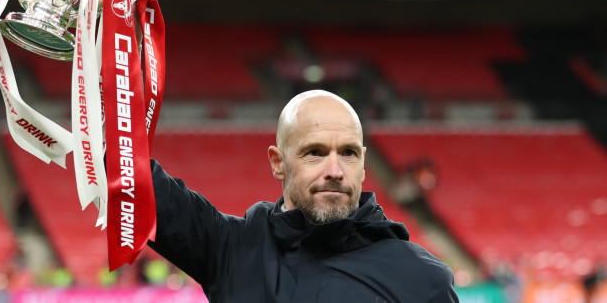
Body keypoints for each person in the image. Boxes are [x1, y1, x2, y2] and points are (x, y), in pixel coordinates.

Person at [147, 89, 459, 302]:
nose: (335, 170)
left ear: (363, 165)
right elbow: (128, 176)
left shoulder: (422, 280)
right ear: (278, 162)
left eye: (348, 153)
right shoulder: (232, 248)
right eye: (315, 153)